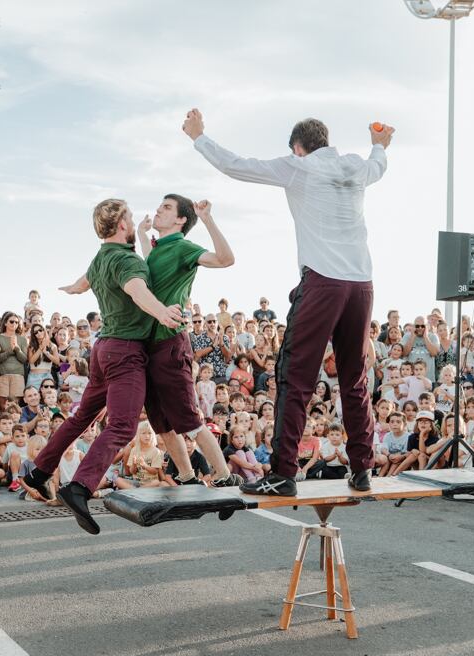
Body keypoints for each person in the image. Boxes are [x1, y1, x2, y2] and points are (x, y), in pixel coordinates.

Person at [185, 108, 392, 495]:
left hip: (324, 282)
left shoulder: (299, 167)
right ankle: (362, 469)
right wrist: (379, 144)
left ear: (298, 148)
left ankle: (282, 473)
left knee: (294, 378)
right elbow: (378, 165)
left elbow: (235, 165)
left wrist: (198, 136)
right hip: (362, 284)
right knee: (354, 379)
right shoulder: (355, 166)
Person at [23, 198, 182, 534]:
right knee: (123, 426)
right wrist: (161, 312)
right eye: (130, 216)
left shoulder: (100, 257)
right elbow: (137, 291)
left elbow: (83, 283)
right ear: (122, 224)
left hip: (102, 350)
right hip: (125, 352)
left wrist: (72, 287)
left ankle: (39, 471)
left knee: (83, 417)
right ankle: (79, 487)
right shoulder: (128, 261)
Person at [134, 195, 244, 488]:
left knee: (188, 418)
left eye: (167, 207)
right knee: (161, 423)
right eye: (160, 205)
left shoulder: (183, 247)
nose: (159, 208)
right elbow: (151, 264)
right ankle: (186, 475)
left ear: (181, 220)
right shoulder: (158, 250)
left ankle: (222, 476)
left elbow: (225, 259)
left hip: (171, 343)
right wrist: (142, 235)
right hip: (149, 346)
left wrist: (207, 219)